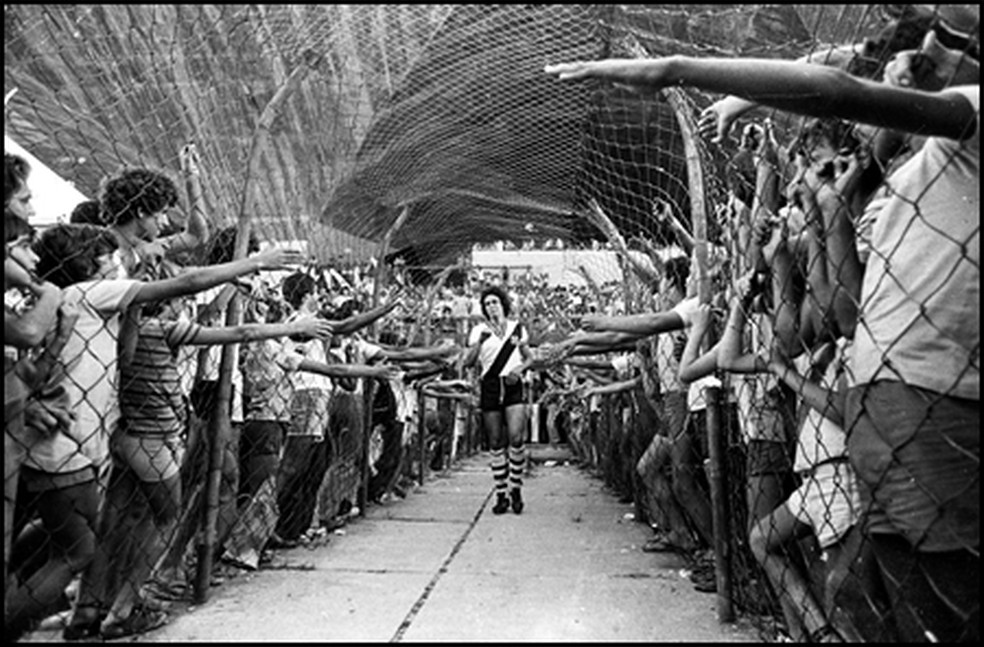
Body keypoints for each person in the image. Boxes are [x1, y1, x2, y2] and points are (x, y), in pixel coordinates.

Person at [546, 25, 979, 641]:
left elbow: (838, 89)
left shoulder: (955, 133)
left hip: (918, 420)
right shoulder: (911, 176)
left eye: (938, 48)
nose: (908, 66)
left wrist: (679, 69)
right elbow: (850, 77)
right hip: (881, 427)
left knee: (908, 605)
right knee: (865, 598)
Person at [20, 223, 301, 641]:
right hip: (102, 441)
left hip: (102, 438)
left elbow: (134, 347)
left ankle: (88, 610)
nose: (120, 265)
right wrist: (256, 262)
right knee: (150, 521)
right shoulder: (88, 292)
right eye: (110, 259)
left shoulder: (103, 312)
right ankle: (122, 606)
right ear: (91, 263)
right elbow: (190, 286)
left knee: (97, 528)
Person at [460, 285, 533, 515]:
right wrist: (480, 343)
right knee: (495, 441)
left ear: (503, 304)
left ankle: (516, 488)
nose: (491, 306)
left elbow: (529, 358)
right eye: (487, 303)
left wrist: (520, 369)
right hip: (490, 384)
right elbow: (468, 362)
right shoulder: (478, 331)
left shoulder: (517, 328)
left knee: (516, 437)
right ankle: (501, 492)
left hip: (512, 384)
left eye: (495, 302)